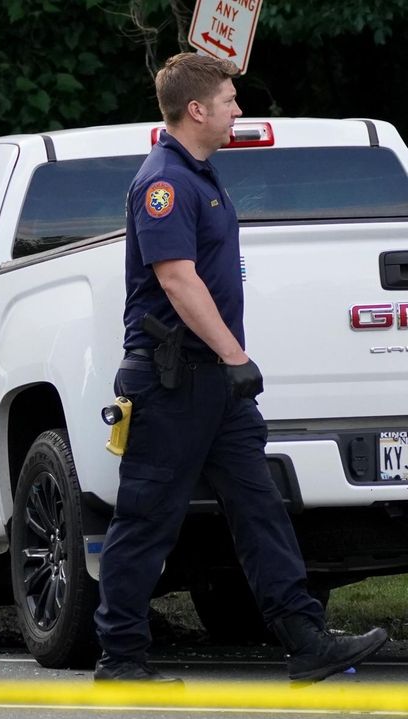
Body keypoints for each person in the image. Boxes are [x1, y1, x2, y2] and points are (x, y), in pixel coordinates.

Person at [92, 53, 388, 683]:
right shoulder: (164, 181)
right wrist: (235, 355)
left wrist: (228, 366)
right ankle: (120, 660)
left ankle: (305, 640)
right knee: (147, 519)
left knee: (260, 510)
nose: (238, 110)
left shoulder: (201, 175)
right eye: (229, 100)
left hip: (215, 384)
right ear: (196, 109)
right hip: (175, 379)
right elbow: (176, 279)